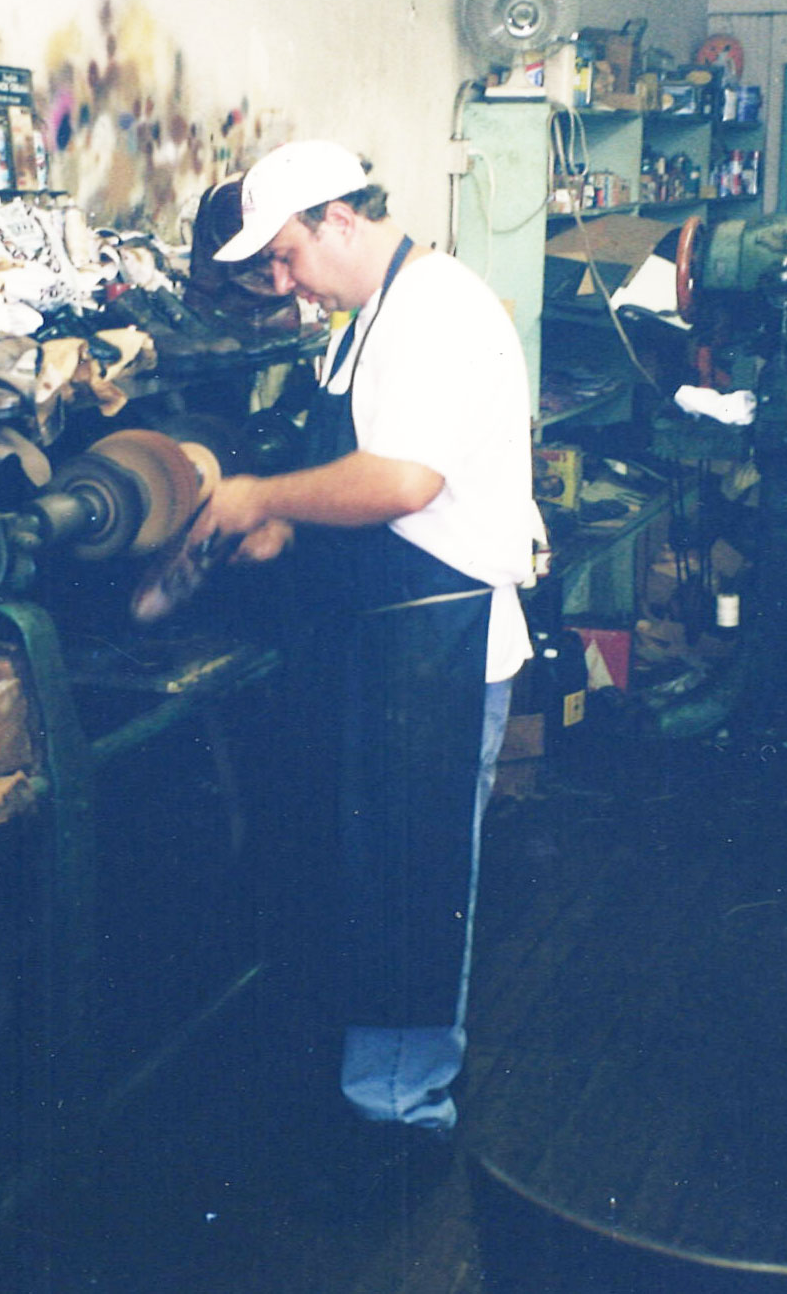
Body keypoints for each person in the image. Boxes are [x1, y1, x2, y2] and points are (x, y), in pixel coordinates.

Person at [196, 138, 541, 1195]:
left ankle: (404, 1124)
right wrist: (289, 530)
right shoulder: (367, 319)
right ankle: (373, 1093)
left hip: (439, 646)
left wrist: (261, 498)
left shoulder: (434, 308)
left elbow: (399, 480)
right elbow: (351, 473)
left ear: (339, 216)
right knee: (379, 870)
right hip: (388, 641)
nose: (284, 280)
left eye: (289, 254)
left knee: (418, 877)